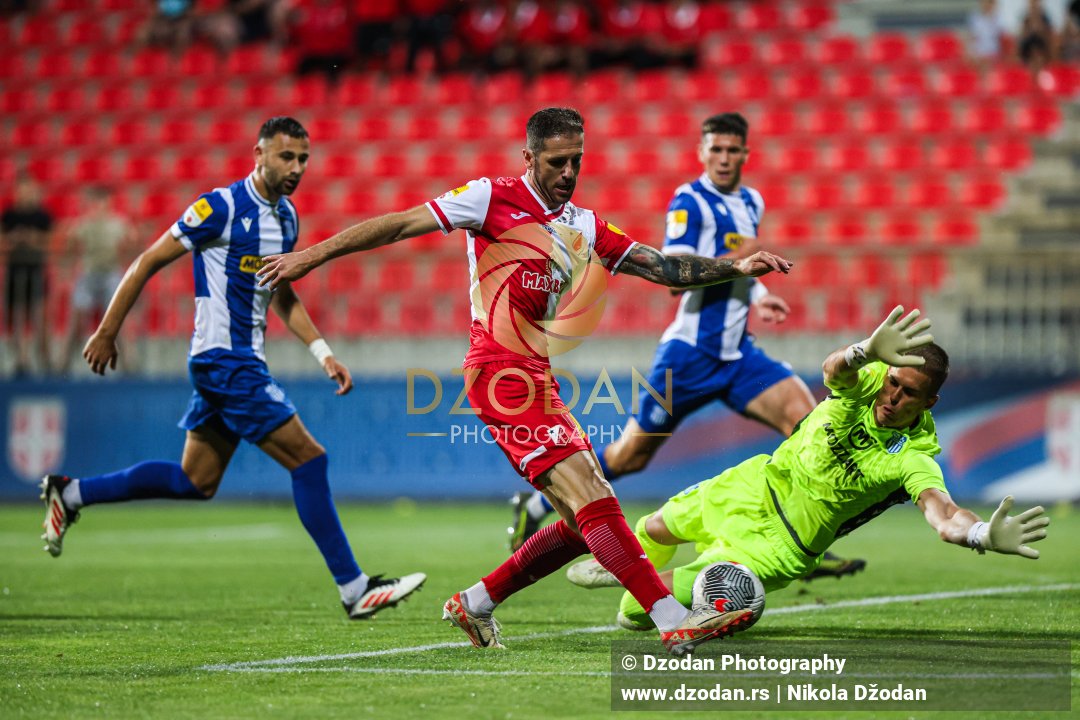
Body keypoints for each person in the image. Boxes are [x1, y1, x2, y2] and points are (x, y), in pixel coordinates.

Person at [257, 107, 794, 655]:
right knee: (594, 494)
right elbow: (398, 223)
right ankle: (673, 617)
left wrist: (738, 267)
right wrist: (310, 255)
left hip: (537, 378)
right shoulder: (490, 198)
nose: (568, 172)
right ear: (530, 158)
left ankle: (476, 602)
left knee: (580, 521)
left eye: (576, 161)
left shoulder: (583, 224)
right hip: (498, 375)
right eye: (557, 162)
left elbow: (661, 267)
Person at [39, 117, 425, 619]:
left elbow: (281, 294)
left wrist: (323, 352)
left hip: (235, 363)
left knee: (194, 481)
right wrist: (108, 329)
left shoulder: (286, 220)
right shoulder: (219, 207)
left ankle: (70, 493)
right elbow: (148, 260)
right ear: (258, 153)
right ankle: (354, 589)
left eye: (304, 159)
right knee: (310, 461)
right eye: (287, 156)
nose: (297, 168)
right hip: (225, 360)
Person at [507, 112, 865, 581]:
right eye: (714, 149)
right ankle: (536, 501)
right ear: (702, 153)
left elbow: (741, 263)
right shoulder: (689, 201)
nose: (723, 158)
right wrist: (735, 270)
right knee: (633, 454)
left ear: (745, 154)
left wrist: (760, 294)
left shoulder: (751, 201)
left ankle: (798, 539)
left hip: (740, 357)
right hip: (689, 356)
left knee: (809, 428)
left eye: (731, 150)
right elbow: (674, 269)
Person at [564, 307, 1051, 632]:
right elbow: (833, 372)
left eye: (909, 395)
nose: (893, 397)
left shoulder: (914, 455)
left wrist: (981, 534)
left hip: (782, 545)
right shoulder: (872, 380)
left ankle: (656, 584)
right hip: (754, 484)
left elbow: (943, 514)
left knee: (633, 614)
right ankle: (636, 567)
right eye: (894, 382)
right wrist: (864, 350)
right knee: (652, 526)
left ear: (930, 402)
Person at [59, 187, 137, 375]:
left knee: (120, 321)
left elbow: (133, 241)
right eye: (97, 201)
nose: (100, 205)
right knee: (76, 322)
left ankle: (130, 367)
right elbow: (69, 245)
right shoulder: (83, 224)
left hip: (111, 275)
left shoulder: (118, 224)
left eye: (104, 201)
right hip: (88, 274)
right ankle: (62, 367)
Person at [2, 177, 53, 376]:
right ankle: (21, 359)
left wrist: (33, 239)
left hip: (36, 270)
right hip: (15, 270)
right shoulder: (9, 215)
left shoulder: (42, 216)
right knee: (17, 315)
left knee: (39, 314)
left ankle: (43, 358)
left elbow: (52, 242)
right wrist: (12, 240)